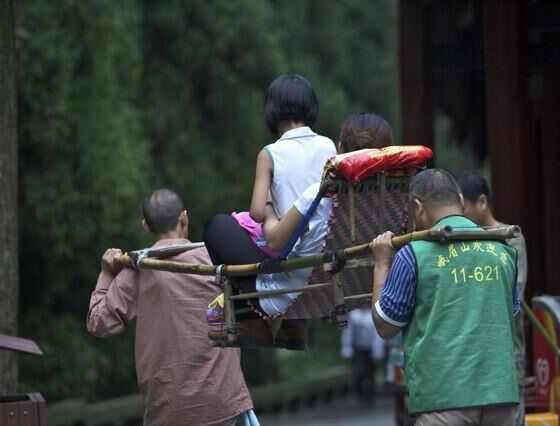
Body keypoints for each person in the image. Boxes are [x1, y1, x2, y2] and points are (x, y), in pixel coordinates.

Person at [204, 113, 392, 349]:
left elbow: (274, 241)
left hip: (288, 294)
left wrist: (270, 205)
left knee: (218, 226)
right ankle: (293, 327)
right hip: (342, 287)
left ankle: (251, 321)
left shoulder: (321, 193)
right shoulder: (390, 198)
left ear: (341, 149)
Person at [87, 189, 256, 426]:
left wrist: (107, 275)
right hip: (223, 402)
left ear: (146, 226)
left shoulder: (138, 270)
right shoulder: (216, 259)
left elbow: (99, 322)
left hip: (170, 410)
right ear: (184, 218)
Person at [370, 169, 520, 425]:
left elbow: (385, 325)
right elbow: (510, 312)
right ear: (461, 201)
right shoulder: (503, 251)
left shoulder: (412, 255)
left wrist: (382, 263)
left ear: (417, 208)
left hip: (442, 401)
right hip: (502, 397)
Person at [455, 170, 529, 426]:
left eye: (462, 207)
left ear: (482, 202)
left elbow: (514, 288)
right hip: (469, 351)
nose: (457, 214)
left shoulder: (511, 237)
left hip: (505, 347)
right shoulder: (459, 239)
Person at [340, 306, 386, 405]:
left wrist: (378, 349)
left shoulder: (374, 314)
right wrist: (346, 347)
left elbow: (378, 333)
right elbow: (348, 332)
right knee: (359, 372)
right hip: (358, 349)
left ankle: (371, 396)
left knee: (371, 373)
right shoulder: (353, 315)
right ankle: (359, 394)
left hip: (371, 348)